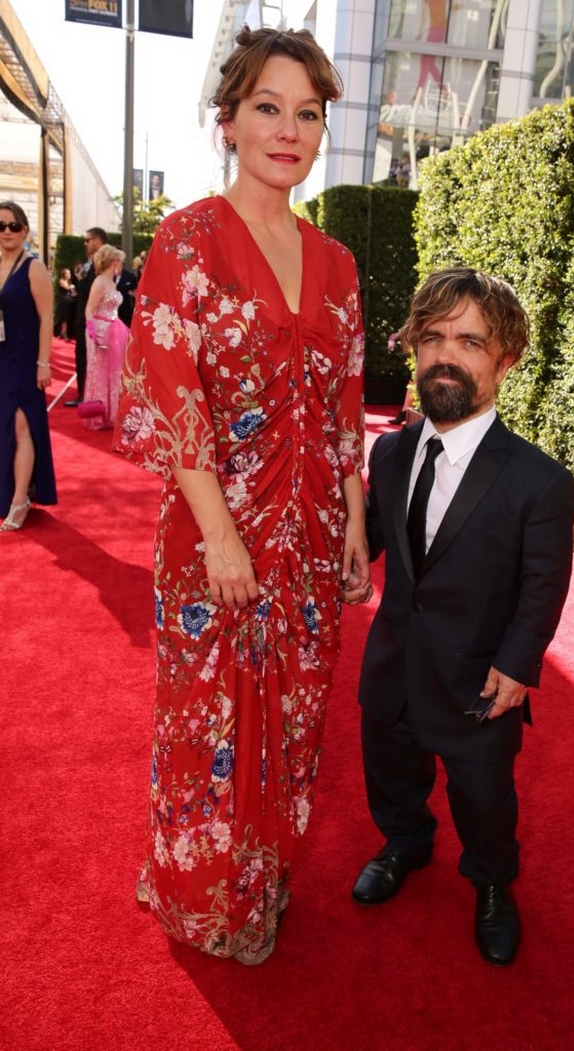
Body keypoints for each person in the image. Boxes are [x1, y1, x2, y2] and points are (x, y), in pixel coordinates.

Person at [113, 26, 371, 964]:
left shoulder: (338, 263)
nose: (289, 129)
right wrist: (220, 536)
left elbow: (346, 400)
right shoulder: (185, 239)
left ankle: (262, 881)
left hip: (307, 544)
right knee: (209, 724)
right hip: (212, 539)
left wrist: (352, 521)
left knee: (294, 723)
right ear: (229, 121)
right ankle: (202, 898)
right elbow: (170, 393)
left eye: (308, 112)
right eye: (269, 106)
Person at [351, 267, 574, 967]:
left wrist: (517, 664)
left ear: (505, 359)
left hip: (481, 680)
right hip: (393, 662)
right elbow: (378, 542)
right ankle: (405, 844)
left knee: (484, 798)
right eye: (434, 337)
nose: (447, 354)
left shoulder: (538, 479)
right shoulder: (388, 451)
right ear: (415, 348)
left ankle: (491, 883)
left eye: (471, 340)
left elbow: (545, 584)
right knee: (390, 771)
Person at [0, 201, 57, 531]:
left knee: (22, 426)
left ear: (24, 230)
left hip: (25, 359)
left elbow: (47, 317)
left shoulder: (33, 267)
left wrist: (43, 363)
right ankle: (9, 492)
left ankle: (21, 499)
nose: (6, 231)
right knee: (4, 427)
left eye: (13, 225)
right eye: (1, 226)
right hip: (2, 358)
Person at [81, 245, 129, 431]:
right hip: (100, 330)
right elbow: (89, 309)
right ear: (114, 261)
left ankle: (112, 413)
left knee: (115, 372)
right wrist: (93, 333)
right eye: (120, 260)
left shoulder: (111, 281)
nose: (122, 264)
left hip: (115, 328)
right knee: (99, 371)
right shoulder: (100, 281)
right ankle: (97, 414)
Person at [66, 226, 107, 407]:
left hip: (99, 323)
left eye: (88, 239)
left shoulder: (106, 264)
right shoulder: (89, 265)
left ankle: (90, 395)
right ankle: (85, 393)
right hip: (86, 321)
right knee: (82, 356)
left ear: (98, 240)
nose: (85, 243)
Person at [55, 267, 77, 340]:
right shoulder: (62, 281)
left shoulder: (69, 282)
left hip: (69, 301)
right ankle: (62, 333)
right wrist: (71, 287)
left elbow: (73, 292)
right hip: (63, 301)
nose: (69, 274)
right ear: (64, 274)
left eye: (69, 273)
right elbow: (67, 288)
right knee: (63, 317)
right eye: (67, 273)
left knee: (67, 317)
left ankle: (64, 332)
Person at [116, 261, 138, 328]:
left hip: (126, 313)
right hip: (112, 313)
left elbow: (136, 293)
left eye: (118, 261)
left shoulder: (130, 276)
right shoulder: (109, 276)